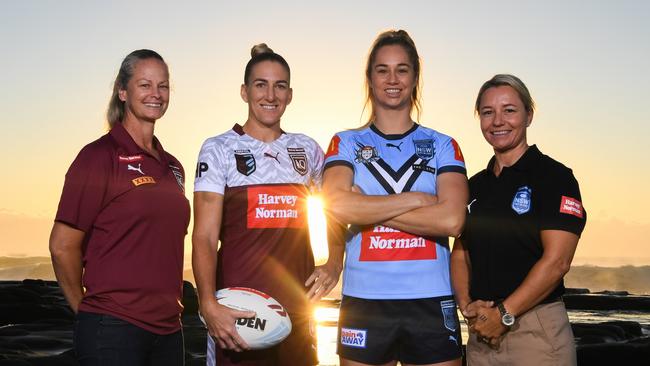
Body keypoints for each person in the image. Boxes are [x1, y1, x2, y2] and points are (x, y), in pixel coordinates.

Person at [322, 29, 468, 366]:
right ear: (369, 78)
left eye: (402, 69)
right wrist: (419, 199)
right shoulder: (345, 142)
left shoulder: (443, 144)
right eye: (382, 69)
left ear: (415, 77)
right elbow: (335, 204)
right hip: (365, 299)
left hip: (430, 299)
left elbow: (452, 220)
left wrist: (364, 208)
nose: (392, 78)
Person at [192, 43, 334, 366]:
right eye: (261, 85)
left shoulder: (307, 149)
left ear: (290, 94)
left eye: (279, 86)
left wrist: (335, 261)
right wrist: (207, 304)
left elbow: (339, 208)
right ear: (244, 92)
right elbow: (203, 236)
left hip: (297, 315)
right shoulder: (219, 149)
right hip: (239, 316)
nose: (271, 95)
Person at [49, 49, 190, 366]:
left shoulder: (174, 167)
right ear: (123, 92)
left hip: (170, 331)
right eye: (145, 84)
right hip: (113, 330)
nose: (156, 94)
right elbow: (62, 247)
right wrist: (85, 310)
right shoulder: (98, 157)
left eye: (163, 86)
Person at [451, 74, 587, 365]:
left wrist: (504, 314)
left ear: (529, 115)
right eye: (488, 112)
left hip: (535, 332)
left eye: (509, 110)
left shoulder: (555, 177)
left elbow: (557, 262)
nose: (498, 121)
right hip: (481, 334)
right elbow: (461, 253)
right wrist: (467, 307)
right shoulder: (474, 186)